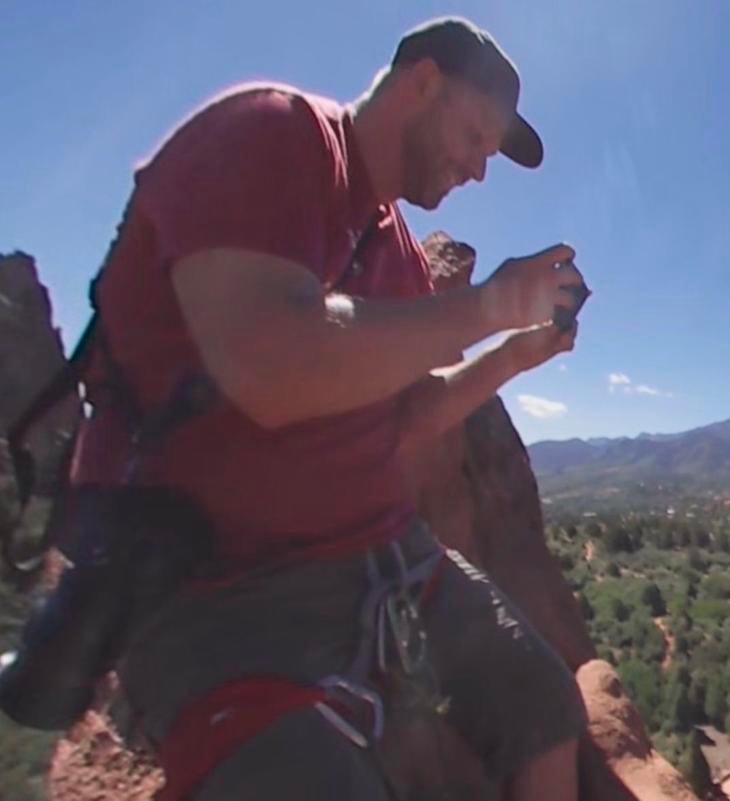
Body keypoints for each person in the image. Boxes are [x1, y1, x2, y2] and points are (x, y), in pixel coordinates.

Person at [68, 15, 587, 801]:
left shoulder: (395, 247)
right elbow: (267, 362)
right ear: (422, 84)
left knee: (544, 705)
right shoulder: (270, 134)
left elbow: (410, 418)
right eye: (477, 135)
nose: (481, 171)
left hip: (378, 559)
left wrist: (515, 352)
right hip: (215, 581)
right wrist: (484, 306)